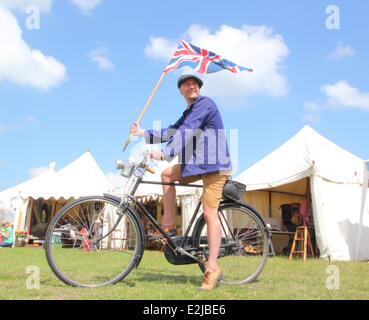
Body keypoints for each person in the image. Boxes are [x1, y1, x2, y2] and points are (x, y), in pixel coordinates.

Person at [130, 74, 232, 290]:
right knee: (167, 175)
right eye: (186, 84)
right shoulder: (189, 111)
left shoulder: (205, 103)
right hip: (197, 164)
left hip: (215, 164)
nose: (191, 85)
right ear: (181, 91)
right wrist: (143, 133)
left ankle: (212, 268)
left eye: (195, 83)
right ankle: (168, 225)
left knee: (209, 213)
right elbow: (172, 131)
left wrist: (167, 153)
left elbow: (188, 130)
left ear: (199, 88)